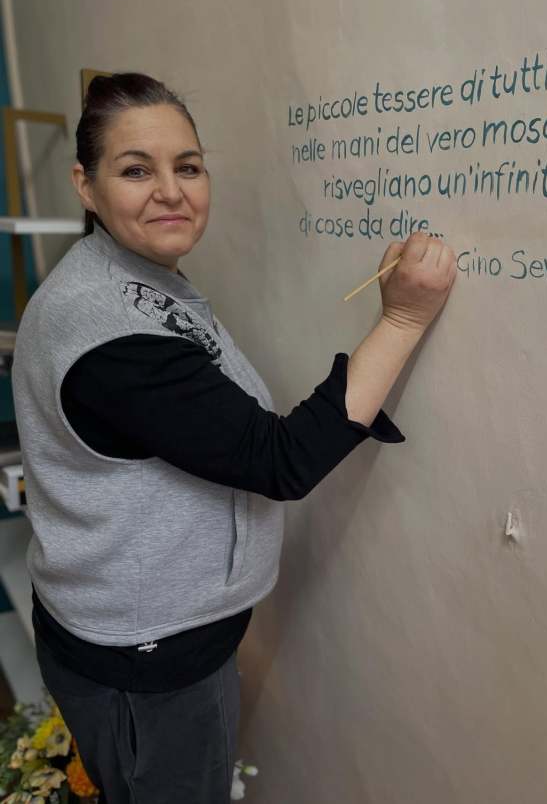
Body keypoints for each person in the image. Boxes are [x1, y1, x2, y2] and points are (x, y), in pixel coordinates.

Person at [10, 72, 456, 804]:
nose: (171, 191)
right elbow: (279, 459)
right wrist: (402, 320)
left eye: (187, 166)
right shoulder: (107, 336)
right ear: (85, 187)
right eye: (135, 170)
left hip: (143, 633)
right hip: (143, 660)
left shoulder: (131, 275)